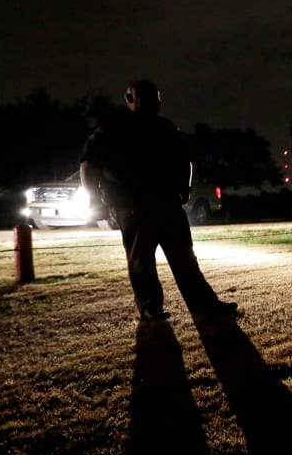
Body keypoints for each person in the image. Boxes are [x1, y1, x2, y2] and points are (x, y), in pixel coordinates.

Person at [79, 79, 238, 320]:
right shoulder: (113, 128)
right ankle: (150, 308)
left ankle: (203, 304)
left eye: (156, 98)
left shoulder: (165, 127)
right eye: (147, 97)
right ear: (129, 99)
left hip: (167, 203)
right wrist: (96, 201)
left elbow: (185, 159)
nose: (154, 102)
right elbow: (89, 165)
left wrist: (185, 186)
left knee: (185, 258)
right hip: (132, 205)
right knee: (142, 261)